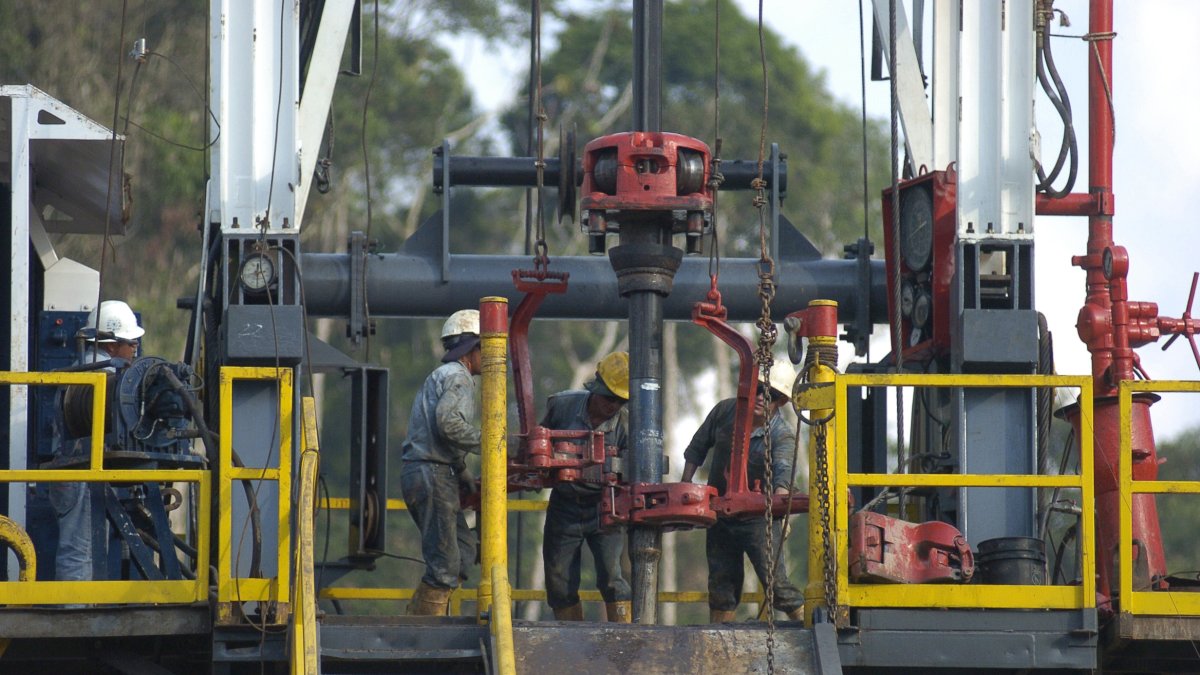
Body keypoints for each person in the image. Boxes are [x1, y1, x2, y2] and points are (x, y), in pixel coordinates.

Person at [680, 362, 806, 623]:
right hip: (721, 514)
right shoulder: (726, 411)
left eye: (769, 394)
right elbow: (697, 447)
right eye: (758, 389)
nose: (760, 397)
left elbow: (782, 477)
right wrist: (685, 487)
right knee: (721, 585)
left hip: (758, 519)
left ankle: (808, 628)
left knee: (777, 585)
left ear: (780, 402)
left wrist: (780, 511)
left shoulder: (781, 437)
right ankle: (719, 638)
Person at [50, 299, 144, 583]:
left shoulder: (82, 373)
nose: (135, 348)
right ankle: (73, 619)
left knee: (86, 548)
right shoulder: (100, 380)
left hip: (77, 473)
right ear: (112, 345)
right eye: (130, 342)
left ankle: (81, 611)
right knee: (80, 550)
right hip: (80, 473)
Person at [400, 309, 483, 616]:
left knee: (462, 552)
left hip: (430, 472)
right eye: (486, 350)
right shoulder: (458, 378)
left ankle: (420, 613)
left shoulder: (442, 376)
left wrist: (462, 472)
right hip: (431, 473)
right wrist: (495, 443)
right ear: (471, 350)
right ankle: (423, 629)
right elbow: (449, 424)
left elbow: (439, 433)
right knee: (445, 564)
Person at [541, 351, 633, 623]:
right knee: (559, 580)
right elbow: (539, 446)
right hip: (564, 505)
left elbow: (633, 473)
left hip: (605, 508)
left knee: (612, 577)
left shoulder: (627, 425)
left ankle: (624, 638)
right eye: (609, 398)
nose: (612, 406)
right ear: (597, 388)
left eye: (620, 401)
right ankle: (572, 641)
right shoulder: (562, 406)